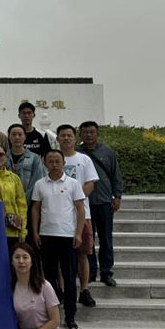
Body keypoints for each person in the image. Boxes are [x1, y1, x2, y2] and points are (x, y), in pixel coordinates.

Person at [31, 149, 86, 329]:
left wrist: (78, 233)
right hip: (46, 235)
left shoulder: (73, 184)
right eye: (50, 161)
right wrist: (35, 232)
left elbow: (80, 209)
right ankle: (51, 315)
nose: (54, 164)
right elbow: (36, 209)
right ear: (45, 163)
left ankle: (70, 316)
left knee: (70, 277)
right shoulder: (40, 184)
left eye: (57, 161)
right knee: (49, 277)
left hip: (67, 236)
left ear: (63, 163)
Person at [56, 124, 99, 308]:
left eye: (69, 135)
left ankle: (84, 289)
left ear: (75, 138)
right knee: (60, 256)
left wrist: (75, 198)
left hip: (82, 213)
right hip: (58, 215)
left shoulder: (84, 159)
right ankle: (62, 290)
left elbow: (90, 184)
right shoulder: (52, 158)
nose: (66, 138)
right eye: (62, 136)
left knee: (83, 254)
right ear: (57, 138)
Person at [78, 121, 123, 287]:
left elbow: (115, 175)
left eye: (92, 132)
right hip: (84, 204)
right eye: (85, 132)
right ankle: (90, 272)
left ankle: (106, 272)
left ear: (97, 134)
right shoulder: (76, 153)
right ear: (80, 135)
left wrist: (117, 196)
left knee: (105, 239)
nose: (89, 135)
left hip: (104, 201)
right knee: (87, 239)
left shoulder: (107, 152)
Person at [7, 124, 45, 203]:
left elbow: (37, 181)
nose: (17, 137)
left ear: (25, 137)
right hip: (7, 201)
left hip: (28, 202)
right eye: (13, 134)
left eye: (20, 134)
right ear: (9, 137)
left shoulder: (34, 158)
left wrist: (24, 199)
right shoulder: (3, 158)